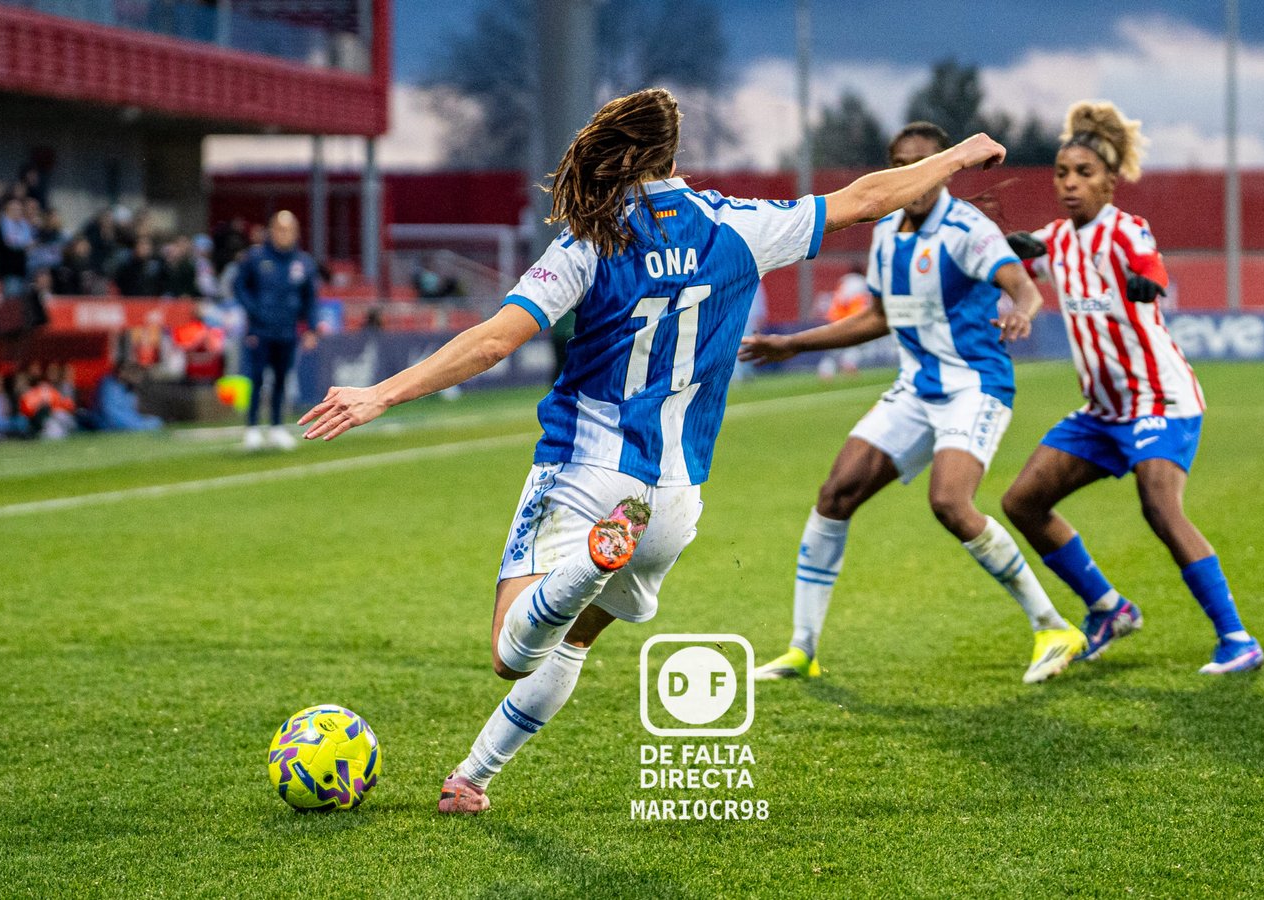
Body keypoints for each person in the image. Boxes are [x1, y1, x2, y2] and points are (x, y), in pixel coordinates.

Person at [297, 88, 1007, 814]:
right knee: (573, 643)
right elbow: (865, 199)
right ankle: (472, 779)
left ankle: (581, 566)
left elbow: (493, 341)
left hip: (586, 473)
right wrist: (958, 155)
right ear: (673, 154)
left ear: (616, 150)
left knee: (514, 652)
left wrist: (380, 393)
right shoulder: (739, 225)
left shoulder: (590, 240)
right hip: (673, 500)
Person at [742, 122, 1086, 686]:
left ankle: (1053, 626)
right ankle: (802, 648)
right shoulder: (887, 233)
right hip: (915, 390)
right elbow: (877, 318)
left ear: (948, 165)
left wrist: (1024, 305)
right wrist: (792, 343)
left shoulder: (966, 229)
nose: (916, 175)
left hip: (973, 386)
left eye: (927, 162)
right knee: (836, 495)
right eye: (904, 163)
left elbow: (1021, 285)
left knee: (950, 503)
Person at [998, 101, 1263, 675]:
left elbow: (1152, 265)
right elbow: (1025, 253)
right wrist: (993, 244)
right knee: (1022, 502)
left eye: (1084, 174)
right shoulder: (1057, 239)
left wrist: (1149, 283)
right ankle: (1109, 607)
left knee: (1160, 507)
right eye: (1062, 174)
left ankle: (1237, 639)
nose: (1070, 184)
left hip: (1160, 400)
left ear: (1111, 184)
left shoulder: (1126, 230)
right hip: (1103, 412)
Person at [234, 210, 319, 451]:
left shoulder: (302, 263)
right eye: (280, 229)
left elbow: (310, 299)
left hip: (287, 330)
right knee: (256, 377)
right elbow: (240, 287)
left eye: (289, 229)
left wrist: (311, 328)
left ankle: (277, 427)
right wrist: (254, 311)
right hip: (260, 330)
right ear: (271, 231)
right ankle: (251, 428)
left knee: (282, 379)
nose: (284, 235)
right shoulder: (256, 258)